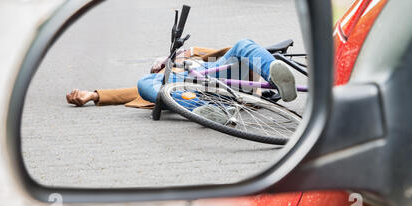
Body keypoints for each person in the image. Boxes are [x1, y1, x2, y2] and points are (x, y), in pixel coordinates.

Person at [66, 39, 297, 121]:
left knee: (244, 43)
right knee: (143, 83)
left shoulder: (189, 54)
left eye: (158, 64)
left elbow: (223, 51)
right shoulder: (160, 80)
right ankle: (204, 110)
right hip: (193, 92)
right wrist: (94, 95)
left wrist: (182, 54)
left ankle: (278, 77)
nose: (157, 66)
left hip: (219, 72)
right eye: (156, 67)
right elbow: (132, 91)